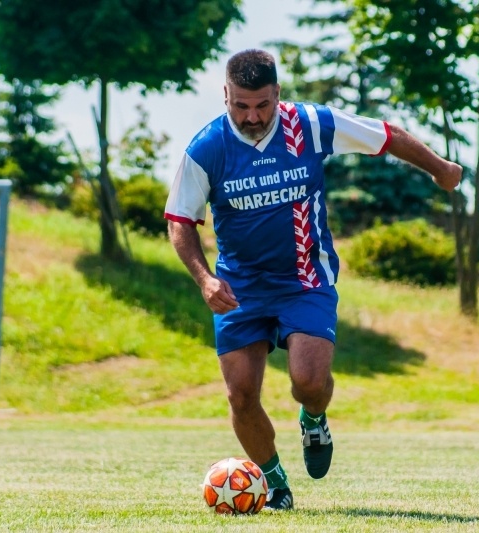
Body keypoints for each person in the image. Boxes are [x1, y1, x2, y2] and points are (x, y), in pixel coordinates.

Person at [164, 49, 462, 511]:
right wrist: (205, 279)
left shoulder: (310, 124)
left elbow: (386, 136)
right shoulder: (207, 148)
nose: (252, 117)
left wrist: (440, 168)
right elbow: (180, 220)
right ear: (225, 95)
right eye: (240, 106)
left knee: (309, 381)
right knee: (240, 395)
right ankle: (275, 485)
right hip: (241, 287)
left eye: (262, 105)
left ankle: (314, 418)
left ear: (277, 94)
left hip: (305, 279)